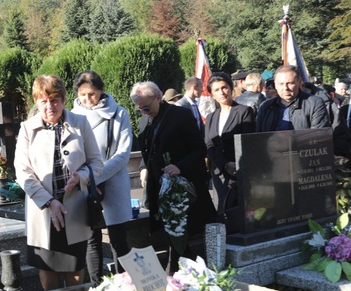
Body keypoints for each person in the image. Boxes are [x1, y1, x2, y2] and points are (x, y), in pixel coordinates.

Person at [14, 75, 103, 290]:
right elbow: (23, 172)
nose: (49, 106)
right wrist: (49, 202)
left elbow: (96, 163)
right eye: (43, 101)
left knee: (74, 266)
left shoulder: (80, 123)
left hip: (74, 208)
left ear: (63, 100)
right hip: (43, 210)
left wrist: (80, 177)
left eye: (54, 100)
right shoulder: (27, 129)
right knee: (47, 268)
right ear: (36, 102)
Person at [134, 81, 216, 272]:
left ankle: (179, 272)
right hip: (158, 185)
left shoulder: (180, 115)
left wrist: (179, 166)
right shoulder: (143, 120)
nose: (144, 111)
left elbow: (199, 149)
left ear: (158, 97)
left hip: (182, 186)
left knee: (182, 230)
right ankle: (179, 271)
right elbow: (147, 150)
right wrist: (143, 167)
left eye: (146, 106)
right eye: (139, 109)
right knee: (168, 231)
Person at [70, 71, 132, 280]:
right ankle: (97, 288)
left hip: (112, 182)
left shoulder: (119, 113)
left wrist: (95, 177)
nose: (87, 99)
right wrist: (87, 180)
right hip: (85, 184)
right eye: (83, 94)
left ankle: (125, 286)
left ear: (101, 91)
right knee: (91, 239)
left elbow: (122, 154)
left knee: (118, 239)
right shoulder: (72, 117)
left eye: (92, 94)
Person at [203, 73, 255, 230]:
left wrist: (236, 170)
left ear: (231, 88)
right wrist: (225, 165)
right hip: (219, 173)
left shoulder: (244, 111)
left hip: (239, 172)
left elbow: (247, 141)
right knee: (221, 213)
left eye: (224, 87)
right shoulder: (211, 117)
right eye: (217, 90)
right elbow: (209, 144)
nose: (222, 92)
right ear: (212, 94)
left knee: (240, 214)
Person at [255, 65, 330, 132]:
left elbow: (318, 136)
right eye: (281, 84)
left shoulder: (314, 103)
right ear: (275, 84)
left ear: (299, 82)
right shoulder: (265, 106)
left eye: (290, 83)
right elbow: (258, 135)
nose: (285, 88)